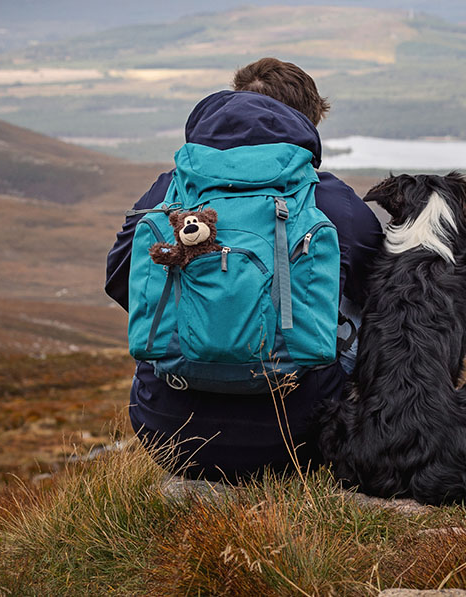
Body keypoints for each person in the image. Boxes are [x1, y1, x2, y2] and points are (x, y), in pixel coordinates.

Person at [105, 57, 382, 481]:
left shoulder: (171, 189)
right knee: (370, 305)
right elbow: (379, 300)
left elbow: (119, 279)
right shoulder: (333, 202)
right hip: (302, 440)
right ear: (305, 125)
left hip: (170, 432)